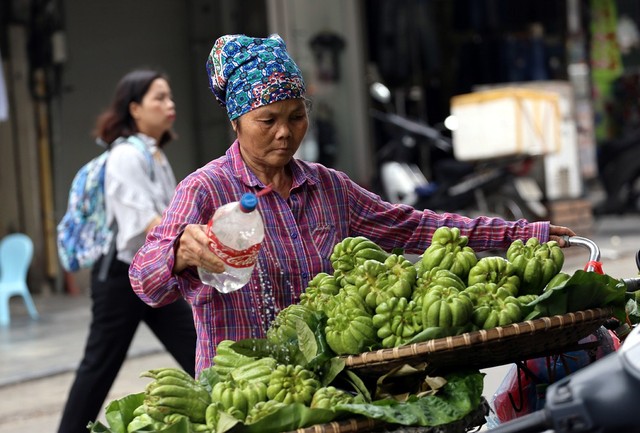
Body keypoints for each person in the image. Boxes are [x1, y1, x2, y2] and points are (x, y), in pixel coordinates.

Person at [129, 34, 575, 377]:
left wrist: (520, 234)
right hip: (246, 391)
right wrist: (177, 253)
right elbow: (145, 282)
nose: (285, 133)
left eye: (296, 116)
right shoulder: (205, 190)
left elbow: (415, 227)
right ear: (236, 122)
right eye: (267, 120)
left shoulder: (328, 188)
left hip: (330, 383)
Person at [58, 69, 197, 433]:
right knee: (99, 367)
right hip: (121, 278)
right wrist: (199, 239)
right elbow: (149, 223)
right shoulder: (125, 156)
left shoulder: (154, 155)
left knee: (199, 349)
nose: (170, 105)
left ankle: (237, 414)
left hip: (151, 272)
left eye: (170, 97)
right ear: (134, 108)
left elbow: (167, 217)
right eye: (159, 98)